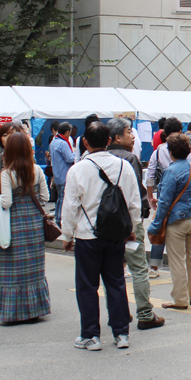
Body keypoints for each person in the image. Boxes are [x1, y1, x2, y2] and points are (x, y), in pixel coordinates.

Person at [61, 122, 141, 350]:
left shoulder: (77, 170)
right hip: (115, 235)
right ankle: (121, 333)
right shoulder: (124, 166)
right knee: (116, 282)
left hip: (87, 236)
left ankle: (90, 335)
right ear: (108, 140)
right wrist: (132, 228)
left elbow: (70, 206)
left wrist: (67, 235)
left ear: (85, 142)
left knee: (87, 286)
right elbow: (133, 202)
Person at [107, 117, 164, 330]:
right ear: (117, 137)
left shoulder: (97, 159)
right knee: (139, 268)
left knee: (113, 271)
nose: (133, 136)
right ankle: (145, 314)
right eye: (129, 132)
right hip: (129, 222)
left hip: (105, 224)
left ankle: (120, 313)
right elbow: (135, 194)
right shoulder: (129, 158)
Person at [0, 132, 52, 324]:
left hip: (14, 224)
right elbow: (45, 197)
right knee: (33, 266)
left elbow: (7, 203)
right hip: (34, 223)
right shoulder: (37, 170)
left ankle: (13, 312)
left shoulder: (7, 173)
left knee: (13, 266)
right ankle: (35, 309)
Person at [150, 133, 191, 311]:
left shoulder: (171, 171)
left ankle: (180, 299)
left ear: (171, 151)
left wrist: (155, 225)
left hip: (176, 220)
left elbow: (164, 202)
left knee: (177, 260)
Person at [49, 121, 75, 227]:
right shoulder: (63, 143)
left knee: (60, 198)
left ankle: (58, 217)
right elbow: (70, 158)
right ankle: (60, 219)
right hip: (64, 174)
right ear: (67, 132)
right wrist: (76, 154)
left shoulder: (54, 141)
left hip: (57, 175)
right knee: (64, 198)